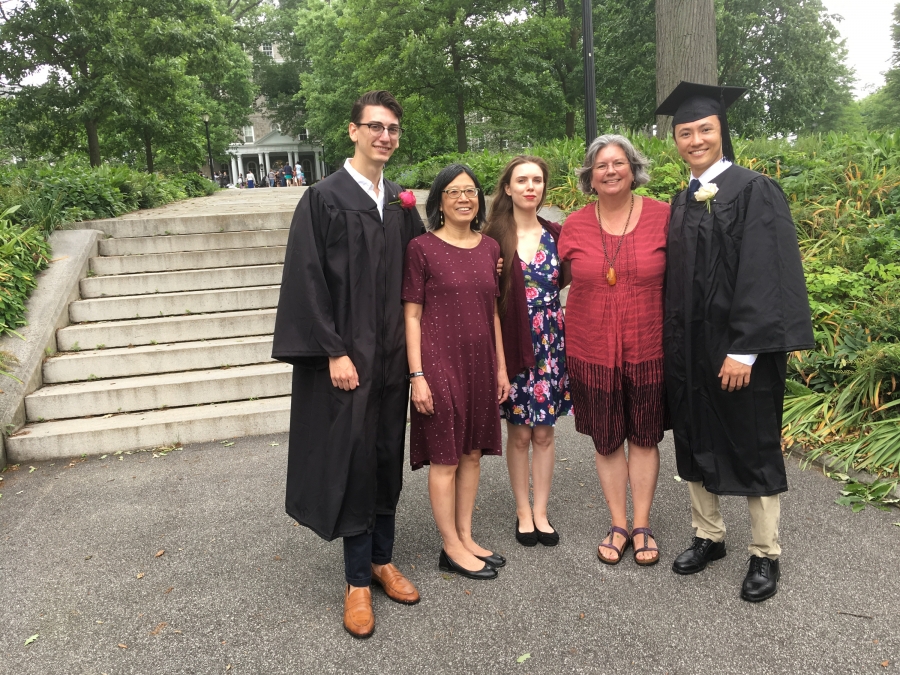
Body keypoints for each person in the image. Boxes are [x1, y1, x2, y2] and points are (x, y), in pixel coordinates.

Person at [272, 90, 425, 638]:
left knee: (387, 455)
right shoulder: (323, 198)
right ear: (353, 131)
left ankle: (383, 558)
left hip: (389, 362)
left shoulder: (399, 206)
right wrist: (333, 349)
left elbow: (418, 280)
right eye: (375, 127)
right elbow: (307, 280)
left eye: (392, 129)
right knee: (356, 461)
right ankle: (358, 578)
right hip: (348, 361)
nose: (385, 136)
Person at [655, 82, 814, 602]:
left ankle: (765, 553)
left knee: (751, 441)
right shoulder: (682, 199)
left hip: (739, 351)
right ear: (675, 140)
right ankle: (709, 536)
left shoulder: (753, 189)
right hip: (691, 351)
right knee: (696, 436)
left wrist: (744, 349)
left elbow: (767, 274)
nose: (695, 139)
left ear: (722, 131)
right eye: (686, 132)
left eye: (705, 129)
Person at [557, 135, 670, 566]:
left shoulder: (663, 216)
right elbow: (549, 275)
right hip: (591, 348)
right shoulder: (574, 225)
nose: (609, 171)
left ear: (633, 168)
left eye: (618, 163)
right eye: (600, 165)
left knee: (643, 435)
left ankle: (642, 525)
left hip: (648, 343)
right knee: (606, 441)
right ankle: (618, 523)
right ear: (589, 176)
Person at [402, 164, 511, 581]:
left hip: (480, 365)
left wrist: (500, 368)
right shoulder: (421, 248)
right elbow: (411, 315)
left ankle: (466, 536)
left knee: (472, 455)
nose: (464, 198)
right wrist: (417, 376)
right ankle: (449, 545)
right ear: (439, 203)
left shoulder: (490, 249)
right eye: (453, 192)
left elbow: (494, 315)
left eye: (470, 191)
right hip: (438, 364)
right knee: (446, 459)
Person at [483, 156, 572, 548]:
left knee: (545, 434)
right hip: (513, 343)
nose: (530, 187)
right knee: (519, 435)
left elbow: (569, 282)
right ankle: (523, 510)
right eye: (522, 180)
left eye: (536, 180)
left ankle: (541, 511)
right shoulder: (491, 238)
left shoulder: (557, 234)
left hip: (551, 344)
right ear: (508, 188)